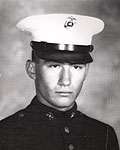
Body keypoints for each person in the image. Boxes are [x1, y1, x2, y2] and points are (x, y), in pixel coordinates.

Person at [0, 14, 119, 150]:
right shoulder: (5, 134)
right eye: (54, 66)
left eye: (76, 67)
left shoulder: (104, 135)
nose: (65, 81)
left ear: (85, 72)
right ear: (32, 69)